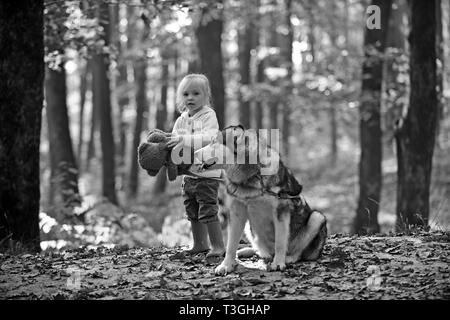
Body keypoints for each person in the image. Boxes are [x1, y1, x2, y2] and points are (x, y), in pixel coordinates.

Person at [166, 74, 225, 259]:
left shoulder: (208, 115)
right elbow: (173, 141)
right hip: (188, 174)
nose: (190, 97)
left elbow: (209, 138)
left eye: (196, 93)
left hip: (207, 172)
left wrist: (182, 140)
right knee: (192, 209)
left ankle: (218, 246)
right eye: (185, 94)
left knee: (207, 208)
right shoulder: (181, 120)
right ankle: (199, 244)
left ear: (206, 96)